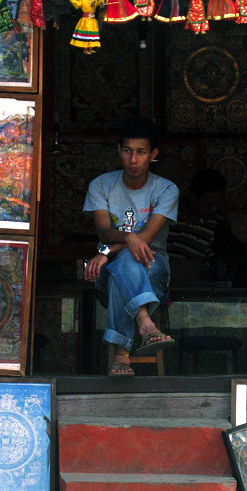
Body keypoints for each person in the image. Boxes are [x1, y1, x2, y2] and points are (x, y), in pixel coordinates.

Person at [83, 118, 180, 377]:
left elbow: (145, 238)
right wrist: (128, 238)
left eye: (141, 152)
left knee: (120, 270)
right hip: (119, 271)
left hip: (153, 265)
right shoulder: (101, 185)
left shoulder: (166, 189)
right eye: (127, 151)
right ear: (119, 151)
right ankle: (145, 324)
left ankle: (121, 355)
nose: (133, 160)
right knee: (122, 266)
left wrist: (108, 251)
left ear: (153, 155)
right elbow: (104, 231)